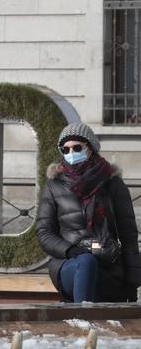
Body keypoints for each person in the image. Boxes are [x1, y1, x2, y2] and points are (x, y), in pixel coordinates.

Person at [35, 122, 141, 303]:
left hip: (109, 265)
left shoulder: (112, 184)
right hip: (69, 263)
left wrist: (133, 281)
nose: (71, 154)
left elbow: (128, 234)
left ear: (90, 148)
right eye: (65, 149)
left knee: (91, 263)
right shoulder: (54, 185)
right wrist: (70, 250)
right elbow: (44, 232)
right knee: (86, 262)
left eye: (76, 147)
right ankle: (83, 321)